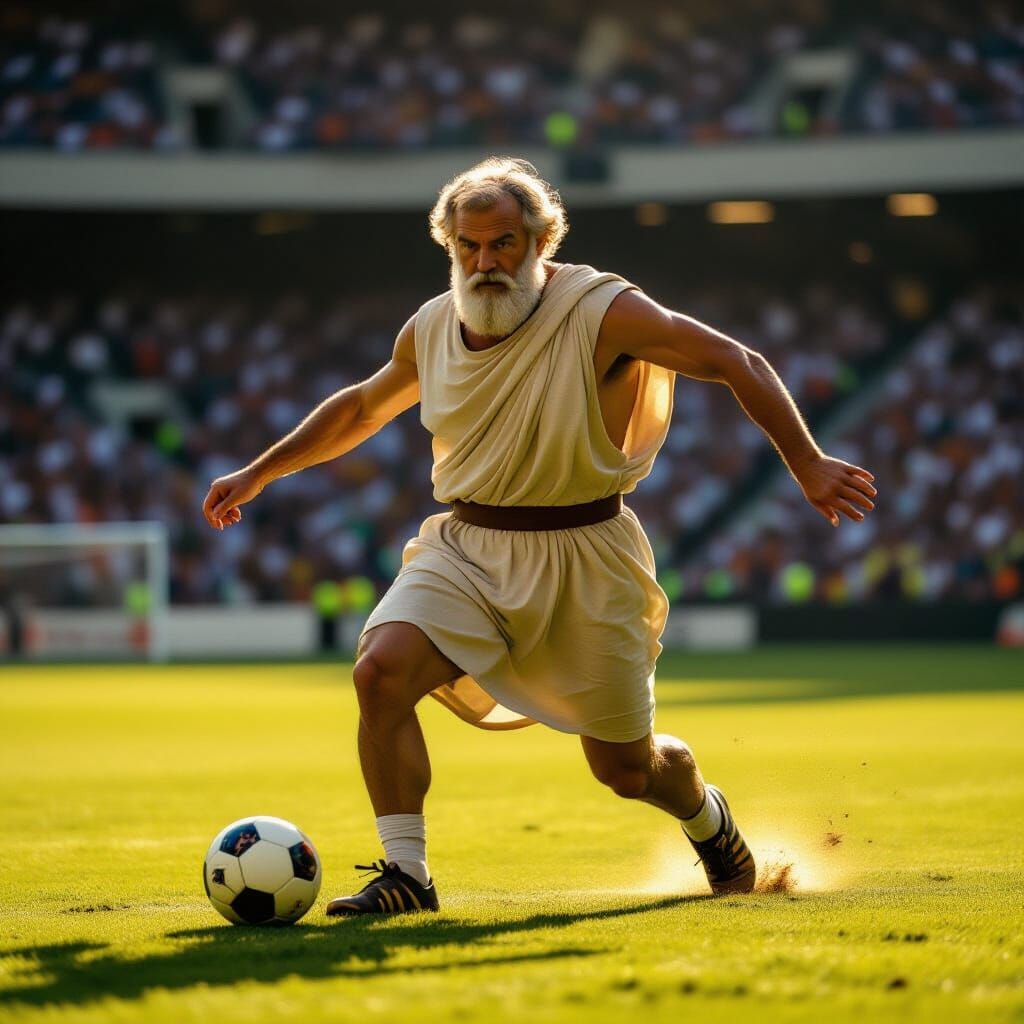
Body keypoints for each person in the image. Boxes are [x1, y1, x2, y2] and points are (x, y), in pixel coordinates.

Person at [202, 157, 877, 915]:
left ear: (541, 240)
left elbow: (732, 359)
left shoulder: (600, 310)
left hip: (587, 555)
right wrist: (259, 472)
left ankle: (705, 817)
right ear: (449, 245)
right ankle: (408, 876)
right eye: (468, 247)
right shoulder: (430, 326)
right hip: (468, 546)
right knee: (379, 671)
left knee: (625, 771)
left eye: (504, 245)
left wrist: (808, 462)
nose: (485, 263)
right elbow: (362, 408)